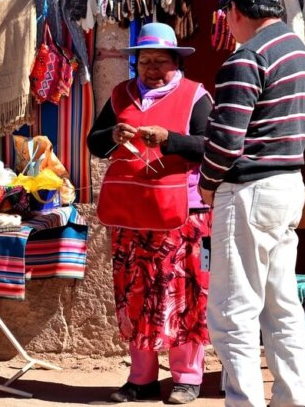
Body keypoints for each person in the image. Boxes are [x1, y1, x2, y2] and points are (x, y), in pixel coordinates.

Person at [197, 0, 305, 407]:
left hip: (249, 192)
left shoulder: (245, 59)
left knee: (234, 312)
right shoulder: (302, 56)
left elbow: (226, 140)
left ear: (234, 12)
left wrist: (208, 185)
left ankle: (244, 402)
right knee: (282, 307)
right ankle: (293, 401)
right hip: (289, 186)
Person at [88, 22, 213, 405]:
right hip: (131, 216)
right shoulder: (120, 95)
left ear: (177, 63)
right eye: (144, 61)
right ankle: (140, 378)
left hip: (183, 214)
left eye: (160, 61)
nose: (152, 69)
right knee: (135, 293)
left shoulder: (196, 96)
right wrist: (112, 136)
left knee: (183, 296)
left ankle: (187, 379)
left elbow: (211, 145)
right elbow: (95, 142)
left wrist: (170, 140)